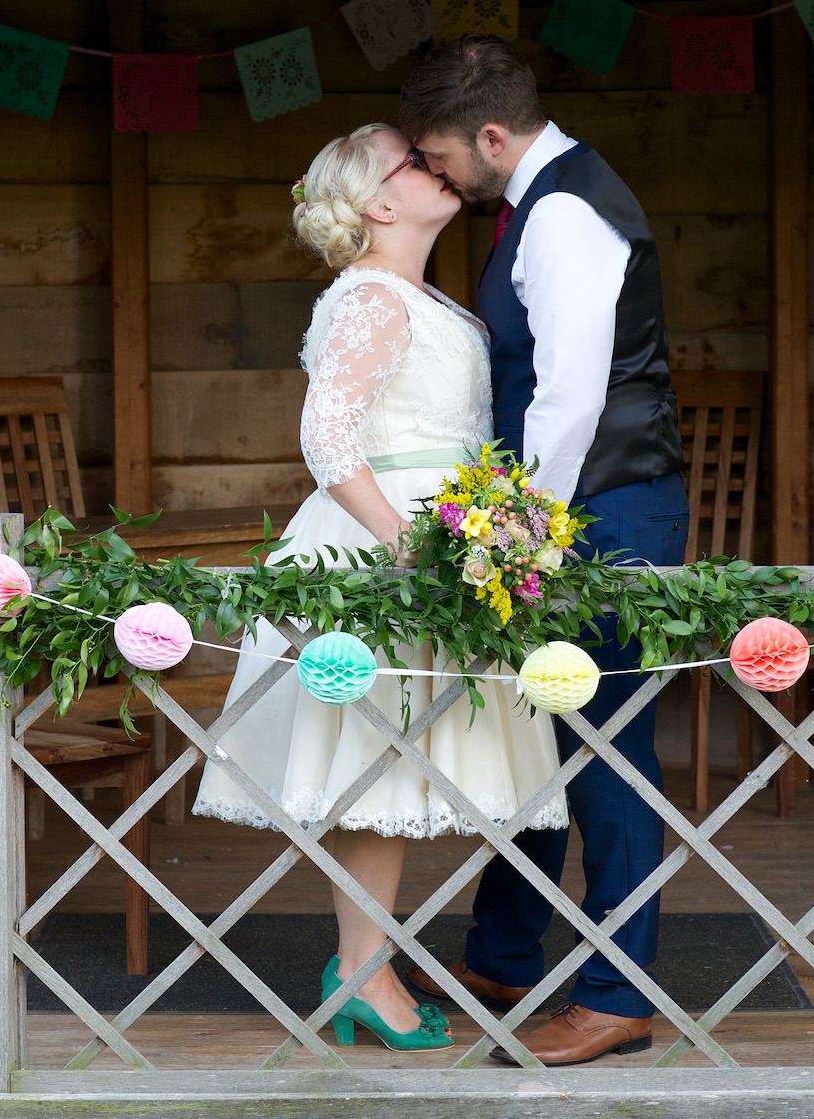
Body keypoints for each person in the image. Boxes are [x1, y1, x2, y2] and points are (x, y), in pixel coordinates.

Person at [193, 121, 569, 1053]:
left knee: (396, 760)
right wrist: (408, 547)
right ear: (379, 202)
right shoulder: (370, 298)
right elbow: (327, 440)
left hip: (448, 533)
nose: (433, 167)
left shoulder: (413, 295)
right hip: (385, 549)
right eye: (413, 161)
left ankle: (364, 965)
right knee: (381, 761)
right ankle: (365, 973)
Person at [399, 36, 689, 1067]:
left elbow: (571, 396)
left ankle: (619, 994)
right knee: (539, 742)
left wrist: (528, 539)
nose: (437, 176)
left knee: (606, 754)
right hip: (573, 513)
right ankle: (506, 950)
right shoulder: (545, 202)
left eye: (440, 157)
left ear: (488, 135)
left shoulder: (564, 213)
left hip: (600, 514)